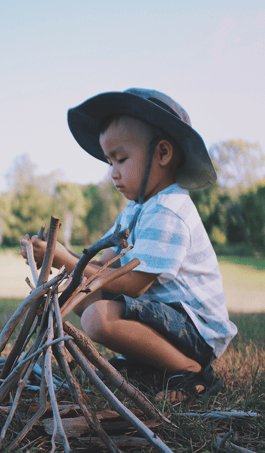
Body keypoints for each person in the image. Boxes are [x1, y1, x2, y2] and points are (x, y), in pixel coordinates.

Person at [21, 88, 237, 398]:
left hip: (196, 329)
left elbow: (135, 284)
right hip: (166, 318)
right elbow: (103, 261)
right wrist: (58, 260)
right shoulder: (137, 209)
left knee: (97, 319)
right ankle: (153, 367)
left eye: (121, 159)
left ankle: (190, 374)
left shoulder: (169, 210)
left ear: (162, 154)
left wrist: (66, 258)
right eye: (110, 161)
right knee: (80, 293)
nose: (113, 173)